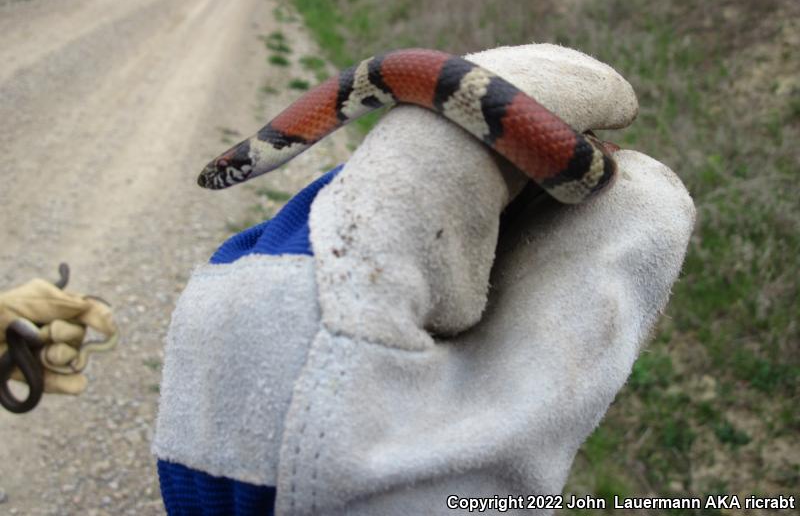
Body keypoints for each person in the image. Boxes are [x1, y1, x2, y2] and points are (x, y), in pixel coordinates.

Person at [152, 44, 695, 515]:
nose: (226, 176)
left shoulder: (376, 86)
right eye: (228, 172)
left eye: (231, 170)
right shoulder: (359, 93)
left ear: (257, 155)